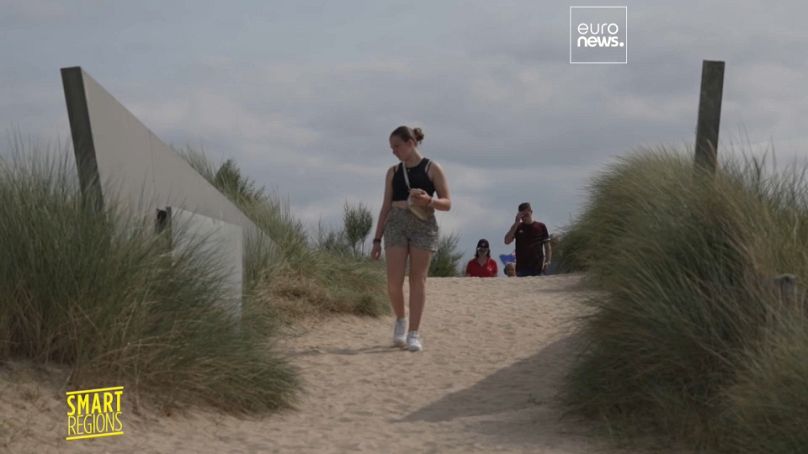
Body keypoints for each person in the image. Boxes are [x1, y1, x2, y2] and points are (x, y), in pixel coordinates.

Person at [371, 126, 451, 352]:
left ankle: (414, 333)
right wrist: (377, 240)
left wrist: (429, 201)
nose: (394, 151)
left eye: (396, 146)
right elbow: (385, 205)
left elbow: (447, 203)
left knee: (418, 279)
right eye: (391, 147)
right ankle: (401, 318)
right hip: (396, 222)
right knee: (393, 281)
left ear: (410, 143)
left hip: (423, 224)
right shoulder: (393, 172)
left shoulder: (432, 168)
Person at [503, 202, 551, 277]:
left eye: (526, 215)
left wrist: (547, 261)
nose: (524, 218)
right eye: (522, 216)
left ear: (531, 212)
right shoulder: (518, 227)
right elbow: (506, 241)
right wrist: (516, 223)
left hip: (537, 266)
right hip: (522, 268)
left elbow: (547, 247)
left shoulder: (541, 226)